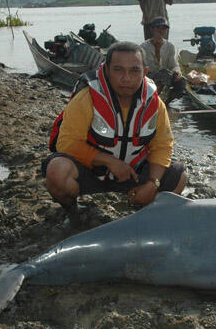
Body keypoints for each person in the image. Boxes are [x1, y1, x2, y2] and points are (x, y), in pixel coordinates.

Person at [42, 41, 187, 220]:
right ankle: (73, 214)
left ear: (145, 72)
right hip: (92, 172)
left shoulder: (156, 104)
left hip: (134, 172)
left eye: (134, 70)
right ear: (107, 70)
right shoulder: (86, 98)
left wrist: (152, 183)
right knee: (57, 170)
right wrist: (110, 162)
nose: (126, 78)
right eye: (118, 70)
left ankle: (144, 215)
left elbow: (163, 146)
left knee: (180, 176)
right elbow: (66, 143)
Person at [140, 17, 185, 104]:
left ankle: (166, 102)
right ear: (152, 30)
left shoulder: (169, 46)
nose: (161, 31)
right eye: (158, 28)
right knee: (162, 74)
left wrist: (177, 72)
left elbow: (173, 65)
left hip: (165, 76)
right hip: (149, 76)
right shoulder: (143, 47)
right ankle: (152, 100)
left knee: (181, 82)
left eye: (163, 29)